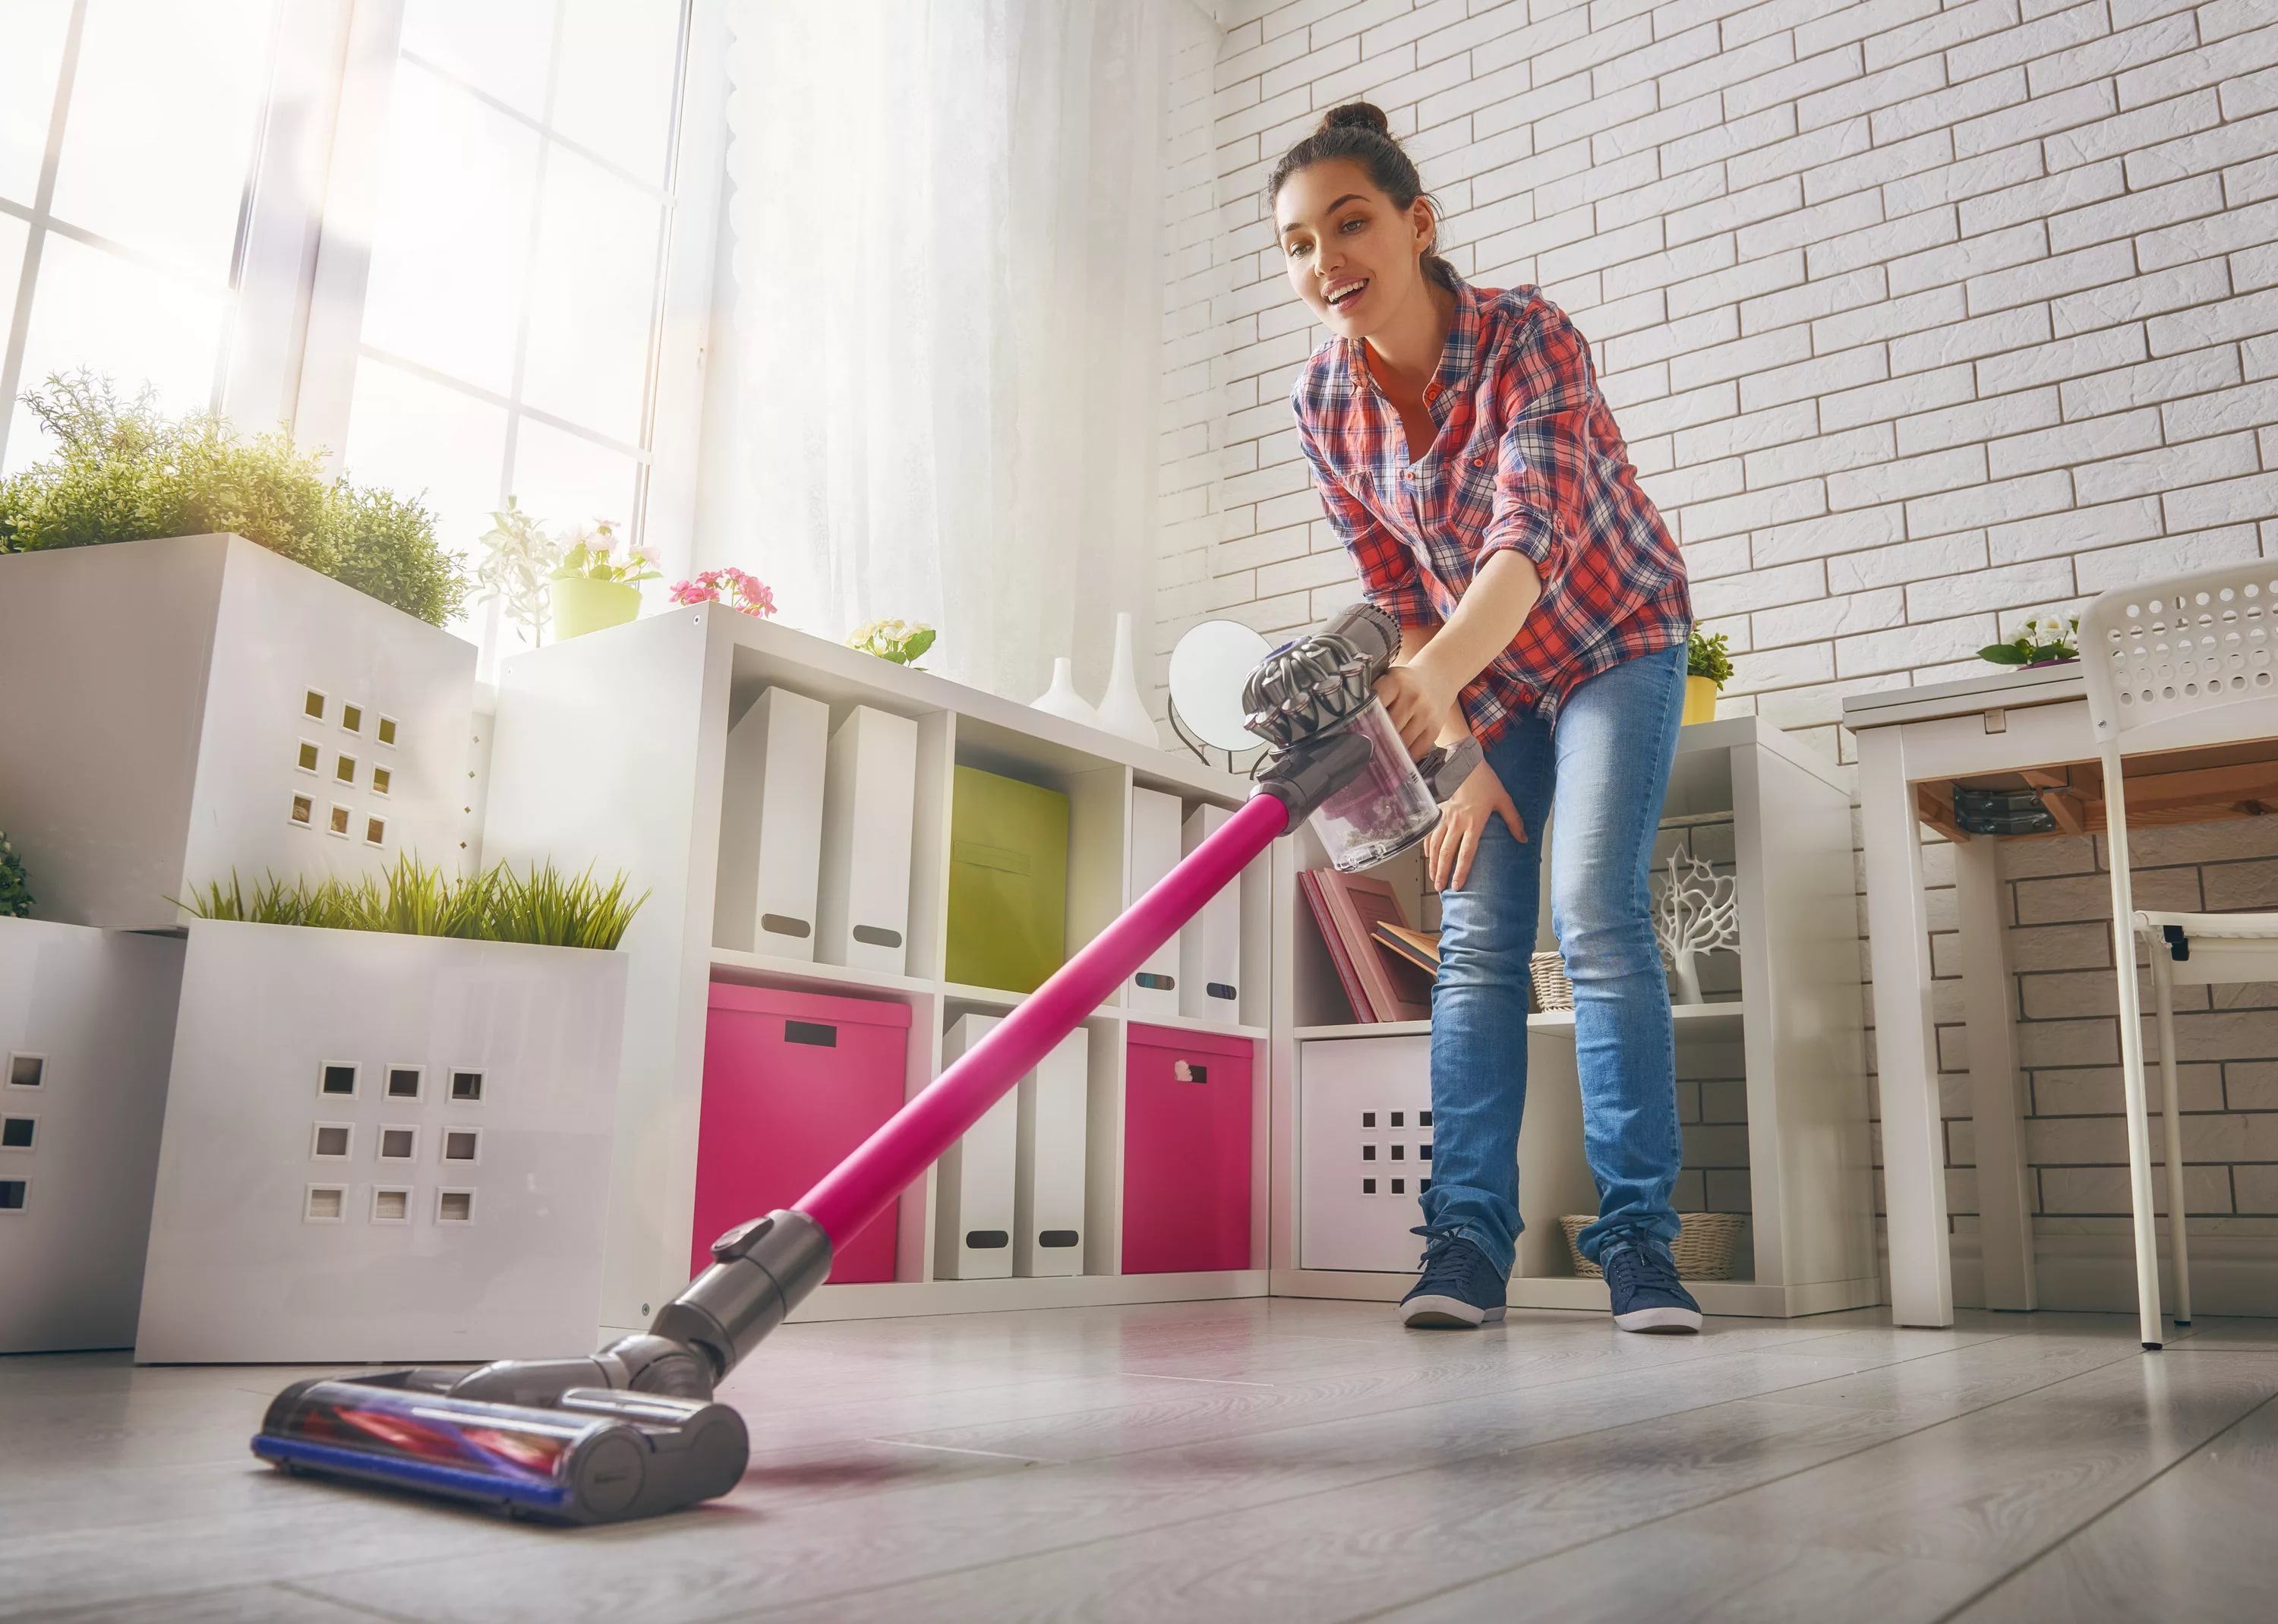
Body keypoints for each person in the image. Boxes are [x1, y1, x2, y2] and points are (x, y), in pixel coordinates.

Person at [1273, 102, 1702, 1335]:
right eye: (1298, 245)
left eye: (1351, 223)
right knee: (1474, 941)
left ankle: (1638, 1245)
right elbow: (1396, 590)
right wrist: (1455, 756)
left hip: (1614, 637)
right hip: (1489, 682)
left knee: (1595, 913)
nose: (1327, 261)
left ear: (1418, 224)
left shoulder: (1528, 335)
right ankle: (1464, 1241)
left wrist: (1429, 691)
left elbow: (1527, 539)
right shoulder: (1323, 401)